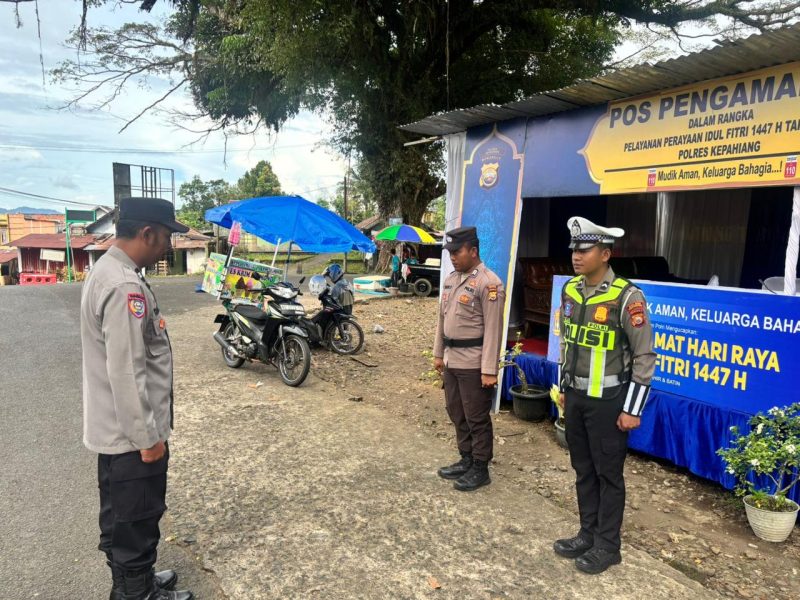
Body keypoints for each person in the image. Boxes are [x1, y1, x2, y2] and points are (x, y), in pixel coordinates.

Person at [81, 197, 194, 600]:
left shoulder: (108, 270)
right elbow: (127, 372)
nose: (168, 246)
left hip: (115, 431)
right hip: (133, 438)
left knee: (121, 520)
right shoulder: (125, 285)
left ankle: (136, 582)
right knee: (137, 521)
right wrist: (148, 439)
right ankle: (137, 593)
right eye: (166, 237)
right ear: (146, 233)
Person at [553, 216, 655, 575]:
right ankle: (588, 534)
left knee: (608, 475)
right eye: (574, 250)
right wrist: (564, 388)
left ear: (606, 254)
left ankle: (608, 546)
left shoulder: (627, 297)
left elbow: (644, 356)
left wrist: (633, 409)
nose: (576, 256)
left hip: (609, 402)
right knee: (582, 470)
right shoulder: (570, 290)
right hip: (576, 398)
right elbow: (567, 342)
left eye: (585, 250)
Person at [433, 226, 505, 491]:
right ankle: (466, 458)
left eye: (457, 251)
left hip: (474, 363)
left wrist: (489, 370)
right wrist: (438, 353)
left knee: (476, 416)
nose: (452, 256)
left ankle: (480, 467)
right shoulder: (451, 279)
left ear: (473, 251)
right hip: (452, 360)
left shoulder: (489, 283)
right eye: (450, 252)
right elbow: (441, 320)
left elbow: (494, 330)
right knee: (456, 411)